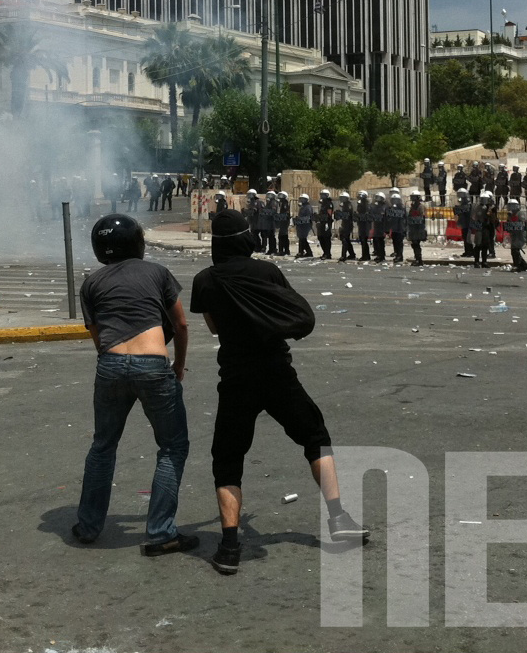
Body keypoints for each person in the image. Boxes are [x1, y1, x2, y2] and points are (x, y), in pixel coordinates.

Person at [189, 209, 370, 576]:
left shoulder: (204, 280)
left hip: (236, 378)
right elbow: (288, 311)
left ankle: (228, 546)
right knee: (316, 439)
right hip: (277, 373)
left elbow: (212, 327)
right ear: (245, 238)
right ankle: (339, 518)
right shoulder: (267, 271)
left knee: (227, 460)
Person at [72, 214, 195, 556]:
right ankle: (160, 533)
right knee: (172, 447)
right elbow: (181, 325)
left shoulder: (91, 283)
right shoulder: (157, 273)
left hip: (110, 365)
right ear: (138, 243)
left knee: (103, 446)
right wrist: (179, 366)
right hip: (154, 364)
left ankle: (88, 526)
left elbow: (97, 339)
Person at [504, 197, 527, 271]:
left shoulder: (520, 213)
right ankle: (523, 265)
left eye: (512, 206)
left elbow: (521, 224)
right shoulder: (510, 215)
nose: (510, 208)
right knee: (514, 251)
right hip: (514, 235)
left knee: (515, 250)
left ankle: (517, 265)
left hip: (521, 235)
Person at [472, 192, 496, 268]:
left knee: (485, 245)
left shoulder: (490, 207)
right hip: (479, 227)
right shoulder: (477, 207)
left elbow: (493, 218)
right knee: (478, 245)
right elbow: (475, 217)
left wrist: (490, 212)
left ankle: (484, 261)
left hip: (486, 228)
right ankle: (476, 261)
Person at [407, 191, 427, 265]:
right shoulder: (412, 207)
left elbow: (422, 217)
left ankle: (419, 260)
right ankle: (417, 259)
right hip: (413, 228)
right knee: (414, 244)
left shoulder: (421, 207)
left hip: (419, 228)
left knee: (416, 244)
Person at [386, 190, 407, 263]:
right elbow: (388, 217)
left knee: (399, 243)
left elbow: (405, 218)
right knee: (395, 242)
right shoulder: (390, 208)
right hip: (394, 228)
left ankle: (400, 256)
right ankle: (397, 254)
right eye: (393, 200)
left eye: (396, 200)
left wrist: (406, 228)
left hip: (400, 228)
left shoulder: (402, 208)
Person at [454, 189, 474, 258]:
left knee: (468, 238)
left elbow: (468, 212)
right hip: (464, 223)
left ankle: (470, 251)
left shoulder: (468, 204)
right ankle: (466, 251)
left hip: (468, 223)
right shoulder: (461, 203)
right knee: (465, 237)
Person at [337, 191, 357, 261]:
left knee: (344, 240)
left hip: (348, 225)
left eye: (343, 198)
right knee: (347, 240)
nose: (342, 199)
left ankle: (343, 256)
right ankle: (352, 254)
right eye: (341, 198)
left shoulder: (348, 205)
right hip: (344, 224)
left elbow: (347, 215)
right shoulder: (344, 205)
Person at [369, 188, 388, 262]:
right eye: (377, 198)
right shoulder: (375, 207)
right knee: (376, 240)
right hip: (376, 225)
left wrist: (386, 230)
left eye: (379, 198)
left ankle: (382, 256)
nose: (378, 199)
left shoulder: (385, 207)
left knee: (380, 241)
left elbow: (387, 218)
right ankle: (378, 254)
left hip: (382, 226)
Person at [316, 189, 335, 260]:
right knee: (321, 237)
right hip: (322, 222)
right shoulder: (323, 203)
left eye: (323, 195)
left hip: (327, 222)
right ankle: (325, 252)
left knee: (326, 238)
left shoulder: (329, 203)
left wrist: (327, 221)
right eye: (321, 195)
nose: (322, 196)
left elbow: (329, 214)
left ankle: (328, 254)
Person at [258, 190, 277, 255]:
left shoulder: (273, 202)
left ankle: (273, 249)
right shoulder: (268, 203)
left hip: (272, 222)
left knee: (271, 237)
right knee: (267, 236)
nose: (269, 197)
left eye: (270, 195)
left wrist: (264, 211)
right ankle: (270, 249)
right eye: (268, 195)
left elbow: (273, 211)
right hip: (267, 222)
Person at [356, 191, 372, 262]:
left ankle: (366, 256)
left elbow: (367, 214)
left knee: (364, 239)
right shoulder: (360, 204)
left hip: (365, 224)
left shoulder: (366, 204)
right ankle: (365, 255)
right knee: (362, 240)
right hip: (361, 223)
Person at [275, 192, 291, 257]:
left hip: (284, 221)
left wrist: (279, 216)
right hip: (282, 221)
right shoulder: (281, 203)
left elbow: (286, 213)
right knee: (281, 236)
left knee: (283, 236)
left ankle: (285, 250)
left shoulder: (285, 203)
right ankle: (281, 250)